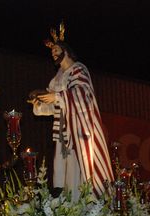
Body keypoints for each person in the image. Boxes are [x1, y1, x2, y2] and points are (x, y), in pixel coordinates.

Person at [30, 22, 114, 196]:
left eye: (56, 50)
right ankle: (66, 208)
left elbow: (83, 93)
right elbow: (55, 106)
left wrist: (58, 96)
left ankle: (81, 206)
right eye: (51, 51)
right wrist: (39, 104)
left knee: (78, 171)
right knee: (63, 174)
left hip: (79, 131)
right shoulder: (57, 79)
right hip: (62, 132)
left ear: (65, 51)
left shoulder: (78, 69)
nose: (53, 54)